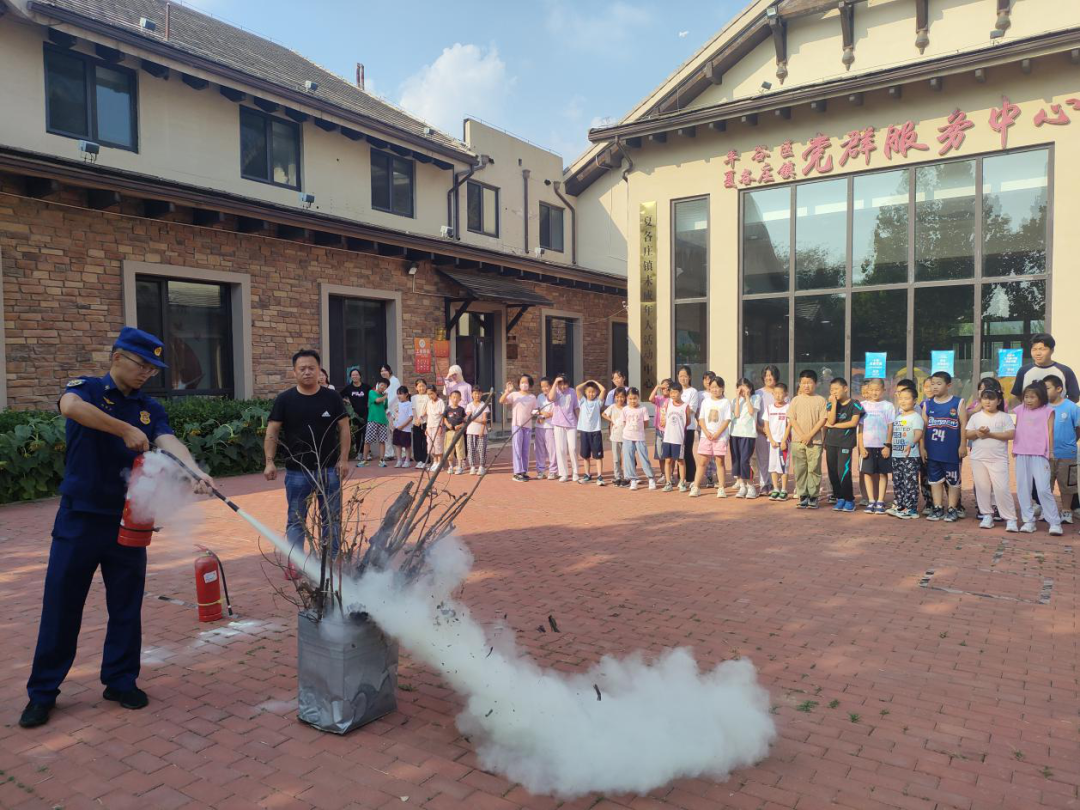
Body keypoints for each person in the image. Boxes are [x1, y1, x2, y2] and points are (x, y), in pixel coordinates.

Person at [20, 328, 212, 729]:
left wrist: (194, 470)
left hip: (130, 518)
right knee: (61, 605)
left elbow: (168, 440)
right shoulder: (88, 389)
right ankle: (43, 692)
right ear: (117, 357)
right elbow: (71, 408)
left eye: (153, 368)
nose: (147, 373)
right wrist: (123, 429)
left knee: (126, 605)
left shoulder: (148, 407)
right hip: (80, 518)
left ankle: (121, 681)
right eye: (142, 364)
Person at [264, 349, 350, 576]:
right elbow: (272, 431)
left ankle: (331, 560)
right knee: (296, 519)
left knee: (331, 519)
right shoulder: (285, 400)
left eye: (312, 368)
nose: (307, 372)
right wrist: (269, 461)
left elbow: (344, 428)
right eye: (302, 368)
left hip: (329, 469)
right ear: (294, 372)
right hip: (297, 472)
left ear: (319, 370)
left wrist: (343, 459)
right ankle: (296, 563)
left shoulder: (332, 397)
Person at [965, 387, 1018, 532]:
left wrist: (990, 434)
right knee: (982, 488)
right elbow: (967, 434)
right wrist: (978, 432)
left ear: (999, 401)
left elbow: (1010, 434)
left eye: (991, 398)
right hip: (978, 458)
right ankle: (987, 515)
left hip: (998, 459)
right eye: (984, 398)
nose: (987, 402)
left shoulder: (1004, 417)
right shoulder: (976, 417)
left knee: (1002, 489)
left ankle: (1010, 518)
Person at [1013, 382, 1061, 535]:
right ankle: (1028, 521)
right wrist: (1015, 447)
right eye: (1026, 397)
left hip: (1040, 454)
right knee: (1023, 488)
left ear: (1041, 397)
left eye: (1032, 397)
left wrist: (1051, 451)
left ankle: (1054, 522)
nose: (1028, 400)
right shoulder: (1020, 409)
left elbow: (1050, 431)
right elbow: (1017, 428)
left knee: (1043, 489)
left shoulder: (1048, 411)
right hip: (1021, 453)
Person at [922, 371, 967, 522]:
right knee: (935, 481)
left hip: (951, 451)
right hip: (933, 450)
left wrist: (963, 445)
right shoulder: (927, 404)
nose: (934, 387)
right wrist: (922, 447)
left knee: (953, 481)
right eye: (932, 384)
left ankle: (952, 508)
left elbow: (963, 425)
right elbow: (923, 427)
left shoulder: (958, 402)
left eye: (938, 384)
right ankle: (937, 508)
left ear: (948, 385)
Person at [788, 369, 828, 509]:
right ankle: (802, 495)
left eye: (809, 382)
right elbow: (792, 419)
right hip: (797, 441)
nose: (806, 385)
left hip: (815, 441)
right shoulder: (795, 400)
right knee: (800, 469)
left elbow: (823, 419)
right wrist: (802, 435)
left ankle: (813, 496)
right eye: (803, 383)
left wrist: (810, 435)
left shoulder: (821, 400)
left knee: (814, 468)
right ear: (799, 384)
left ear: (815, 383)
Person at [823, 377, 864, 513]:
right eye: (831, 390)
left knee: (843, 471)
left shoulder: (855, 404)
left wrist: (835, 426)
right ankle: (839, 497)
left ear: (845, 388)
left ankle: (849, 499)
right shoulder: (831, 404)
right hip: (831, 442)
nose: (833, 392)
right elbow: (830, 421)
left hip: (845, 443)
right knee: (833, 472)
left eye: (836, 389)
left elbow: (853, 423)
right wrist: (834, 404)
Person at [858, 379, 897, 515]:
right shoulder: (862, 405)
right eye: (871, 390)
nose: (874, 393)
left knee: (882, 473)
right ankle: (871, 501)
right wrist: (861, 446)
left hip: (882, 446)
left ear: (883, 391)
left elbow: (890, 427)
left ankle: (880, 501)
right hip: (867, 445)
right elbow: (860, 428)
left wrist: (887, 445)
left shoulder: (888, 406)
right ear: (867, 390)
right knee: (867, 473)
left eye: (877, 390)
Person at [1045, 375, 1080, 525]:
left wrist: (1070, 442)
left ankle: (1066, 511)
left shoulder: (1071, 407)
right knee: (1046, 484)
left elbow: (1078, 428)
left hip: (1067, 454)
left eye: (1047, 388)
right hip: (1045, 453)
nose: (1044, 391)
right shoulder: (1042, 407)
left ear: (1059, 389)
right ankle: (1048, 511)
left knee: (1067, 484)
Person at [886, 386, 924, 520]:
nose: (903, 401)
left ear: (914, 401)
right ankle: (900, 506)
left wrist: (911, 444)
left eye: (907, 398)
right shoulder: (897, 417)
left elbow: (918, 433)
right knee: (898, 482)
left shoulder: (916, 417)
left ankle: (911, 509)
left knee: (910, 483)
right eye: (901, 398)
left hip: (910, 456)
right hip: (896, 455)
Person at [690, 376, 731, 499]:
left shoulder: (726, 402)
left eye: (717, 387)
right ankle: (696, 487)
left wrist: (717, 433)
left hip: (720, 437)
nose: (715, 389)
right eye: (712, 387)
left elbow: (727, 420)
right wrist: (706, 432)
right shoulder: (705, 402)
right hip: (706, 436)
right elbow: (701, 418)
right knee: (702, 462)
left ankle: (721, 488)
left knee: (720, 462)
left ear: (722, 388)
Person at [1010, 333, 1079, 404]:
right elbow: (1017, 395)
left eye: (1042, 349)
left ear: (1052, 350)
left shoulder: (1065, 371)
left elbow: (1074, 397)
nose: (1038, 353)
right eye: (1034, 349)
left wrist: (1061, 407)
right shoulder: (1023, 370)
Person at [501, 375, 537, 482]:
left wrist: (538, 413)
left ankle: (524, 471)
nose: (524, 384)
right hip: (517, 425)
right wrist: (507, 391)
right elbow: (501, 401)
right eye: (522, 382)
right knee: (517, 448)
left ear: (530, 384)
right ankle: (517, 472)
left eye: (526, 382)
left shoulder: (532, 397)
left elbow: (535, 410)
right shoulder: (514, 395)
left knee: (525, 450)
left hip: (528, 426)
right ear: (519, 383)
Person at [729, 378, 760, 499]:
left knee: (745, 461)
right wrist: (737, 398)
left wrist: (747, 397)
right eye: (740, 388)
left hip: (748, 434)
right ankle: (742, 486)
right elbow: (736, 414)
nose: (742, 391)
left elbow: (751, 412)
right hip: (735, 433)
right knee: (737, 461)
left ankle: (751, 486)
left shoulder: (755, 398)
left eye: (745, 388)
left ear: (750, 388)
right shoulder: (734, 401)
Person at [620, 387, 656, 491]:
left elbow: (646, 423)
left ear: (638, 397)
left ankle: (651, 478)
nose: (632, 401)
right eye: (630, 398)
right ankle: (633, 479)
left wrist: (638, 430)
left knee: (644, 458)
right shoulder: (625, 409)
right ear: (627, 398)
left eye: (635, 398)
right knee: (628, 458)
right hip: (627, 437)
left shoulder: (643, 409)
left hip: (639, 437)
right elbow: (624, 422)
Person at [754, 365, 781, 492]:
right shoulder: (758, 394)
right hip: (761, 431)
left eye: (771, 375)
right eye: (766, 375)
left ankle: (774, 484)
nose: (768, 378)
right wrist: (760, 428)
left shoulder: (781, 393)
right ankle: (764, 484)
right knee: (763, 458)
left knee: (776, 460)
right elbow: (753, 415)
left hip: (777, 434)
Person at [659, 381, 690, 492]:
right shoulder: (668, 403)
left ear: (681, 392)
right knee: (668, 460)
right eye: (671, 392)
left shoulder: (685, 406)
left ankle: (682, 482)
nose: (672, 395)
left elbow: (688, 421)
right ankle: (668, 482)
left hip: (678, 438)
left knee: (680, 461)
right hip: (668, 438)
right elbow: (663, 416)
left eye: (675, 392)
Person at [576, 379, 607, 485]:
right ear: (585, 392)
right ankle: (587, 475)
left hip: (595, 431)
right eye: (589, 391)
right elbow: (577, 388)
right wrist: (587, 382)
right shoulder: (582, 401)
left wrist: (595, 382)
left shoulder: (598, 402)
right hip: (584, 431)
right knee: (585, 455)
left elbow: (603, 390)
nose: (591, 394)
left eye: (593, 392)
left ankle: (599, 476)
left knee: (598, 456)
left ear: (596, 392)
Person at [549, 375, 580, 483]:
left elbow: (576, 407)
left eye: (565, 384)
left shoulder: (572, 392)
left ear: (568, 384)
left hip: (571, 423)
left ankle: (575, 472)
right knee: (561, 449)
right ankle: (563, 473)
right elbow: (551, 398)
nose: (563, 386)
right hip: (558, 424)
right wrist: (555, 382)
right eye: (560, 384)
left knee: (573, 448)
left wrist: (580, 421)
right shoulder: (555, 391)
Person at [764, 382, 791, 500]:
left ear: (786, 394)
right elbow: (766, 425)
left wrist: (784, 441)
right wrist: (771, 439)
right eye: (775, 393)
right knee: (773, 466)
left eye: (780, 393)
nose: (778, 395)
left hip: (784, 442)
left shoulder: (788, 407)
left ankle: (784, 489)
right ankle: (775, 489)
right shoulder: (769, 408)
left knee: (784, 467)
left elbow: (790, 425)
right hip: (773, 443)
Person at [339, 368, 370, 466]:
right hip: (354, 415)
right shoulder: (348, 388)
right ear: (350, 377)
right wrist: (346, 402)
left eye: (356, 375)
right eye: (353, 375)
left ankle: (365, 452)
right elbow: (339, 396)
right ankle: (359, 453)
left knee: (366, 433)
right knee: (357, 434)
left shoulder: (366, 387)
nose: (355, 376)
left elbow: (373, 395)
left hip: (366, 414)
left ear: (360, 376)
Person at [676, 366, 699, 486]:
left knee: (687, 452)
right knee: (678, 453)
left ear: (689, 377)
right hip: (676, 427)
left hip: (688, 427)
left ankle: (691, 478)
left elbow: (692, 409)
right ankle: (681, 478)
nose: (683, 378)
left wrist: (679, 409)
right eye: (680, 376)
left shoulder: (693, 391)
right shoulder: (676, 390)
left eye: (685, 376)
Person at [602, 387, 627, 487]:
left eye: (622, 397)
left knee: (627, 458)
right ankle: (618, 476)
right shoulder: (612, 407)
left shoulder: (627, 408)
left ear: (625, 397)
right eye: (617, 397)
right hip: (615, 437)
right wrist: (611, 420)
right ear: (614, 397)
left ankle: (627, 476)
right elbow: (603, 414)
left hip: (626, 437)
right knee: (616, 458)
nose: (619, 399)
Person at [534, 377, 557, 481]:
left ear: (551, 386)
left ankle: (553, 471)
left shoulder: (555, 396)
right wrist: (542, 413)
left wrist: (547, 414)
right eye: (542, 386)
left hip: (550, 427)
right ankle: (540, 471)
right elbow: (537, 410)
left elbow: (555, 412)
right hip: (539, 426)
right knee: (539, 449)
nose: (544, 388)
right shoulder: (539, 397)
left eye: (546, 386)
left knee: (552, 450)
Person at [465, 387, 490, 475]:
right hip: (471, 431)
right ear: (472, 394)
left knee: (482, 449)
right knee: (471, 449)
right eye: (475, 393)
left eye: (479, 393)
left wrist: (482, 430)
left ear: (481, 394)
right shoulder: (469, 405)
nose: (477, 395)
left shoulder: (484, 405)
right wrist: (480, 420)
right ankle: (472, 467)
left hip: (481, 431)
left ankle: (481, 466)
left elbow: (485, 419)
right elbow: (469, 417)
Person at [364, 380, 390, 468]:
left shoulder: (385, 397)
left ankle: (382, 460)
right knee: (368, 440)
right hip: (372, 420)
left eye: (385, 386)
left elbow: (385, 407)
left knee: (382, 441)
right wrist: (385, 396)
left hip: (383, 421)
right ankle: (364, 460)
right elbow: (377, 400)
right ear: (378, 384)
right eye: (382, 385)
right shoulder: (371, 392)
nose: (383, 387)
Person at [443, 390, 467, 474]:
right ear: (450, 398)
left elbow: (465, 421)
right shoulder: (447, 409)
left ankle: (459, 466)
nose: (455, 399)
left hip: (459, 432)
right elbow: (444, 419)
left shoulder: (461, 409)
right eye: (453, 397)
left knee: (459, 448)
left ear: (460, 399)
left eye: (457, 397)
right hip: (449, 432)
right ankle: (450, 466)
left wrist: (460, 426)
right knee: (449, 448)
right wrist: (447, 424)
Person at [380, 364, 401, 460]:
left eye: (385, 370)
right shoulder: (380, 382)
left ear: (389, 371)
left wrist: (386, 405)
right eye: (381, 371)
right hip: (384, 410)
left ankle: (403, 453)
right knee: (386, 432)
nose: (383, 372)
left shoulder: (395, 381)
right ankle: (389, 453)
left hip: (393, 409)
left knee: (396, 431)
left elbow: (395, 396)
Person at [649, 379, 672, 462]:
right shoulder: (659, 398)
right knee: (660, 453)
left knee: (669, 454)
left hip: (669, 430)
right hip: (659, 430)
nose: (664, 389)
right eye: (663, 387)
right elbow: (650, 398)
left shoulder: (672, 400)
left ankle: (670, 470)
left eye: (666, 387)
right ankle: (662, 470)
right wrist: (657, 386)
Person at [391, 386, 414, 468]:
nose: (398, 396)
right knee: (397, 445)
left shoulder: (410, 404)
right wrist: (392, 424)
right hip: (397, 428)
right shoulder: (397, 404)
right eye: (397, 394)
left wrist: (402, 426)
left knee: (407, 445)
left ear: (406, 394)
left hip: (406, 429)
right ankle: (399, 460)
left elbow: (410, 417)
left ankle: (407, 460)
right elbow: (394, 415)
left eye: (400, 394)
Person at [425, 386, 446, 470]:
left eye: (432, 393)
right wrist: (426, 428)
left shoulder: (440, 402)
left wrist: (440, 426)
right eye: (428, 394)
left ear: (435, 392)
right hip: (430, 426)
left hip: (437, 426)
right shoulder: (429, 403)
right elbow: (428, 416)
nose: (430, 396)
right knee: (430, 445)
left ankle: (440, 463)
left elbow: (443, 416)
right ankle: (435, 462)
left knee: (438, 444)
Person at [411, 379, 429, 470]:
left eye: (423, 386)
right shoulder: (413, 397)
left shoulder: (428, 396)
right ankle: (419, 460)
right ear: (416, 388)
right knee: (417, 441)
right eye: (419, 386)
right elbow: (413, 409)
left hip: (426, 422)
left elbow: (427, 409)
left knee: (426, 442)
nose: (421, 388)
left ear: (426, 387)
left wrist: (421, 418)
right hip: (416, 423)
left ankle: (425, 460)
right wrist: (416, 419)